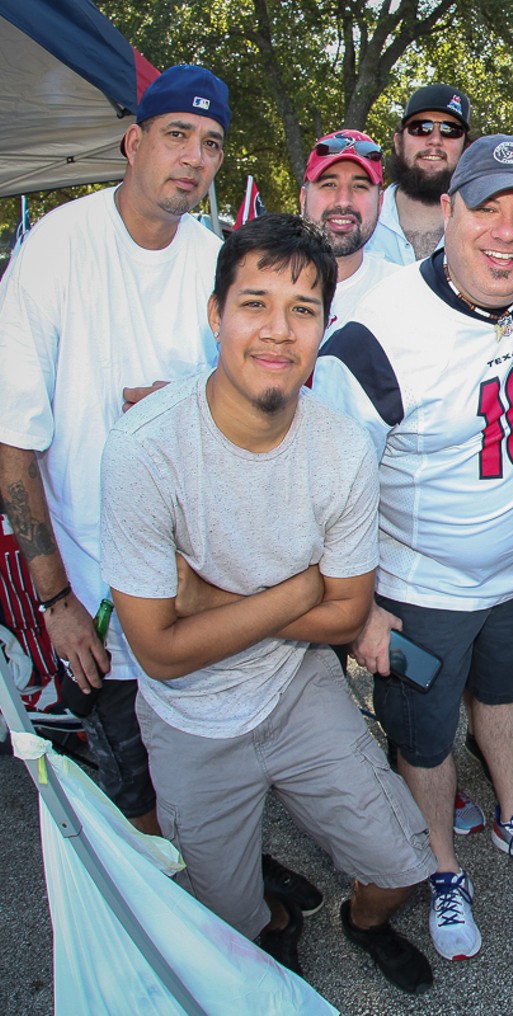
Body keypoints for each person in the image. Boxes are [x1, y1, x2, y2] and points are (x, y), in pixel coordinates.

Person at [100, 214, 436, 993]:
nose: (278, 332)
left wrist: (212, 599)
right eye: (254, 304)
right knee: (227, 919)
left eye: (303, 310)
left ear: (325, 325)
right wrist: (300, 588)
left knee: (400, 865)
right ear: (215, 314)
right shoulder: (145, 449)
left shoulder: (342, 450)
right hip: (188, 722)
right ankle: (276, 922)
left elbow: (348, 618)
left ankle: (362, 920)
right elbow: (159, 649)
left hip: (295, 690)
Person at [311, 135, 513, 962]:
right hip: (418, 588)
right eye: (488, 207)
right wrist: (358, 613)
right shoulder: (373, 338)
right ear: (449, 210)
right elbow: (326, 495)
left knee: (503, 698)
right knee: (424, 740)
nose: (506, 230)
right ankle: (440, 866)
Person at [0, 65, 230, 840]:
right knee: (134, 785)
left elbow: (247, 416)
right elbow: (13, 445)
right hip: (93, 585)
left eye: (210, 144)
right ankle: (161, 929)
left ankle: (220, 891)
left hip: (195, 577)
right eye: (176, 136)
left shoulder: (215, 260)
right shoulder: (59, 248)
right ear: (134, 142)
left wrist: (184, 403)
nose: (193, 159)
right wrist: (57, 603)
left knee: (206, 764)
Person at [299, 129, 397, 330]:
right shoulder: (264, 284)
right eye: (329, 184)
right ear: (303, 199)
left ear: (380, 202)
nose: (343, 201)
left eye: (359, 186)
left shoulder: (404, 293)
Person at [365, 84, 471, 265]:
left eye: (450, 131)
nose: (435, 140)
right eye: (421, 128)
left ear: (466, 148)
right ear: (398, 143)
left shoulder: (486, 229)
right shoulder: (358, 218)